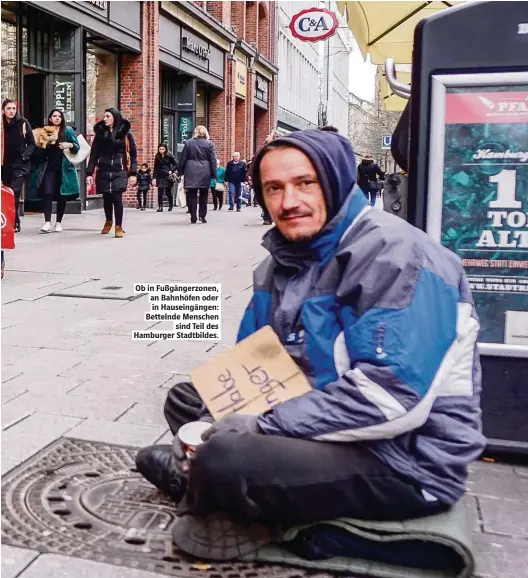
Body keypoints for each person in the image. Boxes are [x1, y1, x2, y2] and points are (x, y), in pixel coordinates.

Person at [136, 130, 485, 558]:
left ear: (336, 181)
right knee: (188, 399)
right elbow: (252, 364)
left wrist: (258, 428)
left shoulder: (399, 256)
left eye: (305, 183)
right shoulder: (282, 260)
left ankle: (221, 491)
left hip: (405, 458)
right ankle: (221, 483)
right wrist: (215, 416)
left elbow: (391, 398)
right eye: (273, 188)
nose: (288, 202)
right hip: (328, 416)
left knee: (227, 454)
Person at [86, 108, 137, 238]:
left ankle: (118, 226)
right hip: (103, 169)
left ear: (114, 117)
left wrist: (133, 174)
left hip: (119, 170)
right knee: (106, 197)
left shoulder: (126, 134)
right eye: (104, 116)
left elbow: (133, 155)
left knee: (117, 197)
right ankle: (109, 221)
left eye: (107, 116)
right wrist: (89, 173)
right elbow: (94, 155)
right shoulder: (100, 134)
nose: (104, 118)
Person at [28, 109, 80, 233]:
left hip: (63, 168)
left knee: (62, 195)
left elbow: (77, 147)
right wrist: (45, 144)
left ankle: (58, 222)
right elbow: (38, 150)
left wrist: (69, 145)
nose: (57, 118)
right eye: (54, 116)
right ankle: (47, 222)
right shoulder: (44, 131)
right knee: (48, 193)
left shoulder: (67, 131)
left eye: (59, 116)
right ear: (50, 119)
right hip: (49, 167)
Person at [1, 99, 36, 232]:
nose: (11, 111)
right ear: (3, 110)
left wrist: (24, 156)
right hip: (5, 164)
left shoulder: (23, 123)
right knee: (6, 193)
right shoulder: (1, 124)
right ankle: (11, 221)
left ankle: (14, 221)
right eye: (8, 108)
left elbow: (32, 143)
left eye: (13, 108)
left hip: (20, 164)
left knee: (14, 191)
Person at [178, 125, 216, 224]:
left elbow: (183, 158)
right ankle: (202, 216)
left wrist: (180, 171)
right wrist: (213, 174)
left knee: (191, 194)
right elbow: (213, 160)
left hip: (190, 170)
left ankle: (193, 216)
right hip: (205, 170)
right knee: (204, 194)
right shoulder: (209, 144)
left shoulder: (189, 143)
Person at [153, 143, 177, 212]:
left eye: (163, 149)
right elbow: (155, 167)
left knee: (168, 191)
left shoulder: (169, 155)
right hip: (160, 175)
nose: (161, 150)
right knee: (160, 191)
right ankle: (160, 206)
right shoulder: (157, 156)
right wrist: (154, 177)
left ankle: (170, 205)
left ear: (165, 149)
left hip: (168, 175)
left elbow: (175, 165)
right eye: (160, 149)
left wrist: (171, 171)